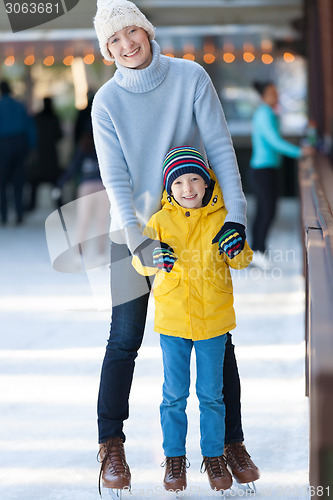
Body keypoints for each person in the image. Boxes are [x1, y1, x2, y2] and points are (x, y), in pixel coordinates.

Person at [92, 0, 259, 493]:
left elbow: (220, 146)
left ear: (146, 30)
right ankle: (111, 446)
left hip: (194, 229)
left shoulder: (190, 78)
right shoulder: (106, 102)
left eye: (131, 33)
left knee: (214, 336)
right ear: (106, 49)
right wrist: (139, 239)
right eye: (114, 40)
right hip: (134, 235)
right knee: (125, 337)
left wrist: (237, 216)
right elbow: (116, 178)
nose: (126, 45)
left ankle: (230, 442)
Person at [132, 147, 254, 492]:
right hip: (172, 322)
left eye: (194, 180)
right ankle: (174, 459)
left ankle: (214, 457)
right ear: (169, 188)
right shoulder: (158, 221)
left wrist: (237, 248)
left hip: (213, 322)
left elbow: (243, 261)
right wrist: (152, 258)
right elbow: (139, 263)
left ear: (206, 181)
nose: (188, 188)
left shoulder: (222, 217)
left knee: (212, 394)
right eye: (180, 182)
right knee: (173, 393)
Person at [249, 81, 314, 270]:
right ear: (263, 97)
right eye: (270, 93)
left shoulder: (269, 113)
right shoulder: (264, 113)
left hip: (267, 169)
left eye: (276, 92)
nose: (275, 96)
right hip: (262, 170)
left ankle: (256, 253)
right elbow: (274, 141)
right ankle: (257, 252)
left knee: (264, 211)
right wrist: (300, 152)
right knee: (266, 212)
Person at [0, 80, 35, 225]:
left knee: (2, 182)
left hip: (3, 145)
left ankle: (4, 215)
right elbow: (30, 128)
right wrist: (32, 147)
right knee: (18, 180)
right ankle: (19, 214)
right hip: (20, 143)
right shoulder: (20, 105)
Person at [27, 97, 63, 211]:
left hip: (39, 155)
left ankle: (31, 205)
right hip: (51, 155)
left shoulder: (37, 118)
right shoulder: (54, 118)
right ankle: (59, 204)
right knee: (55, 182)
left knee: (35, 181)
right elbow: (59, 136)